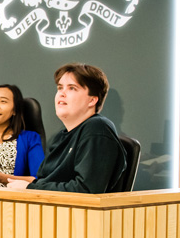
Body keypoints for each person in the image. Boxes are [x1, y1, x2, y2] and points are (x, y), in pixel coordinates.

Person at [8, 63, 126, 193]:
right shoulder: (61, 136)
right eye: (60, 88)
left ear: (92, 100)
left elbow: (87, 190)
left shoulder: (97, 128)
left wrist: (30, 188)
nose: (61, 94)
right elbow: (45, 180)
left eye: (72, 88)